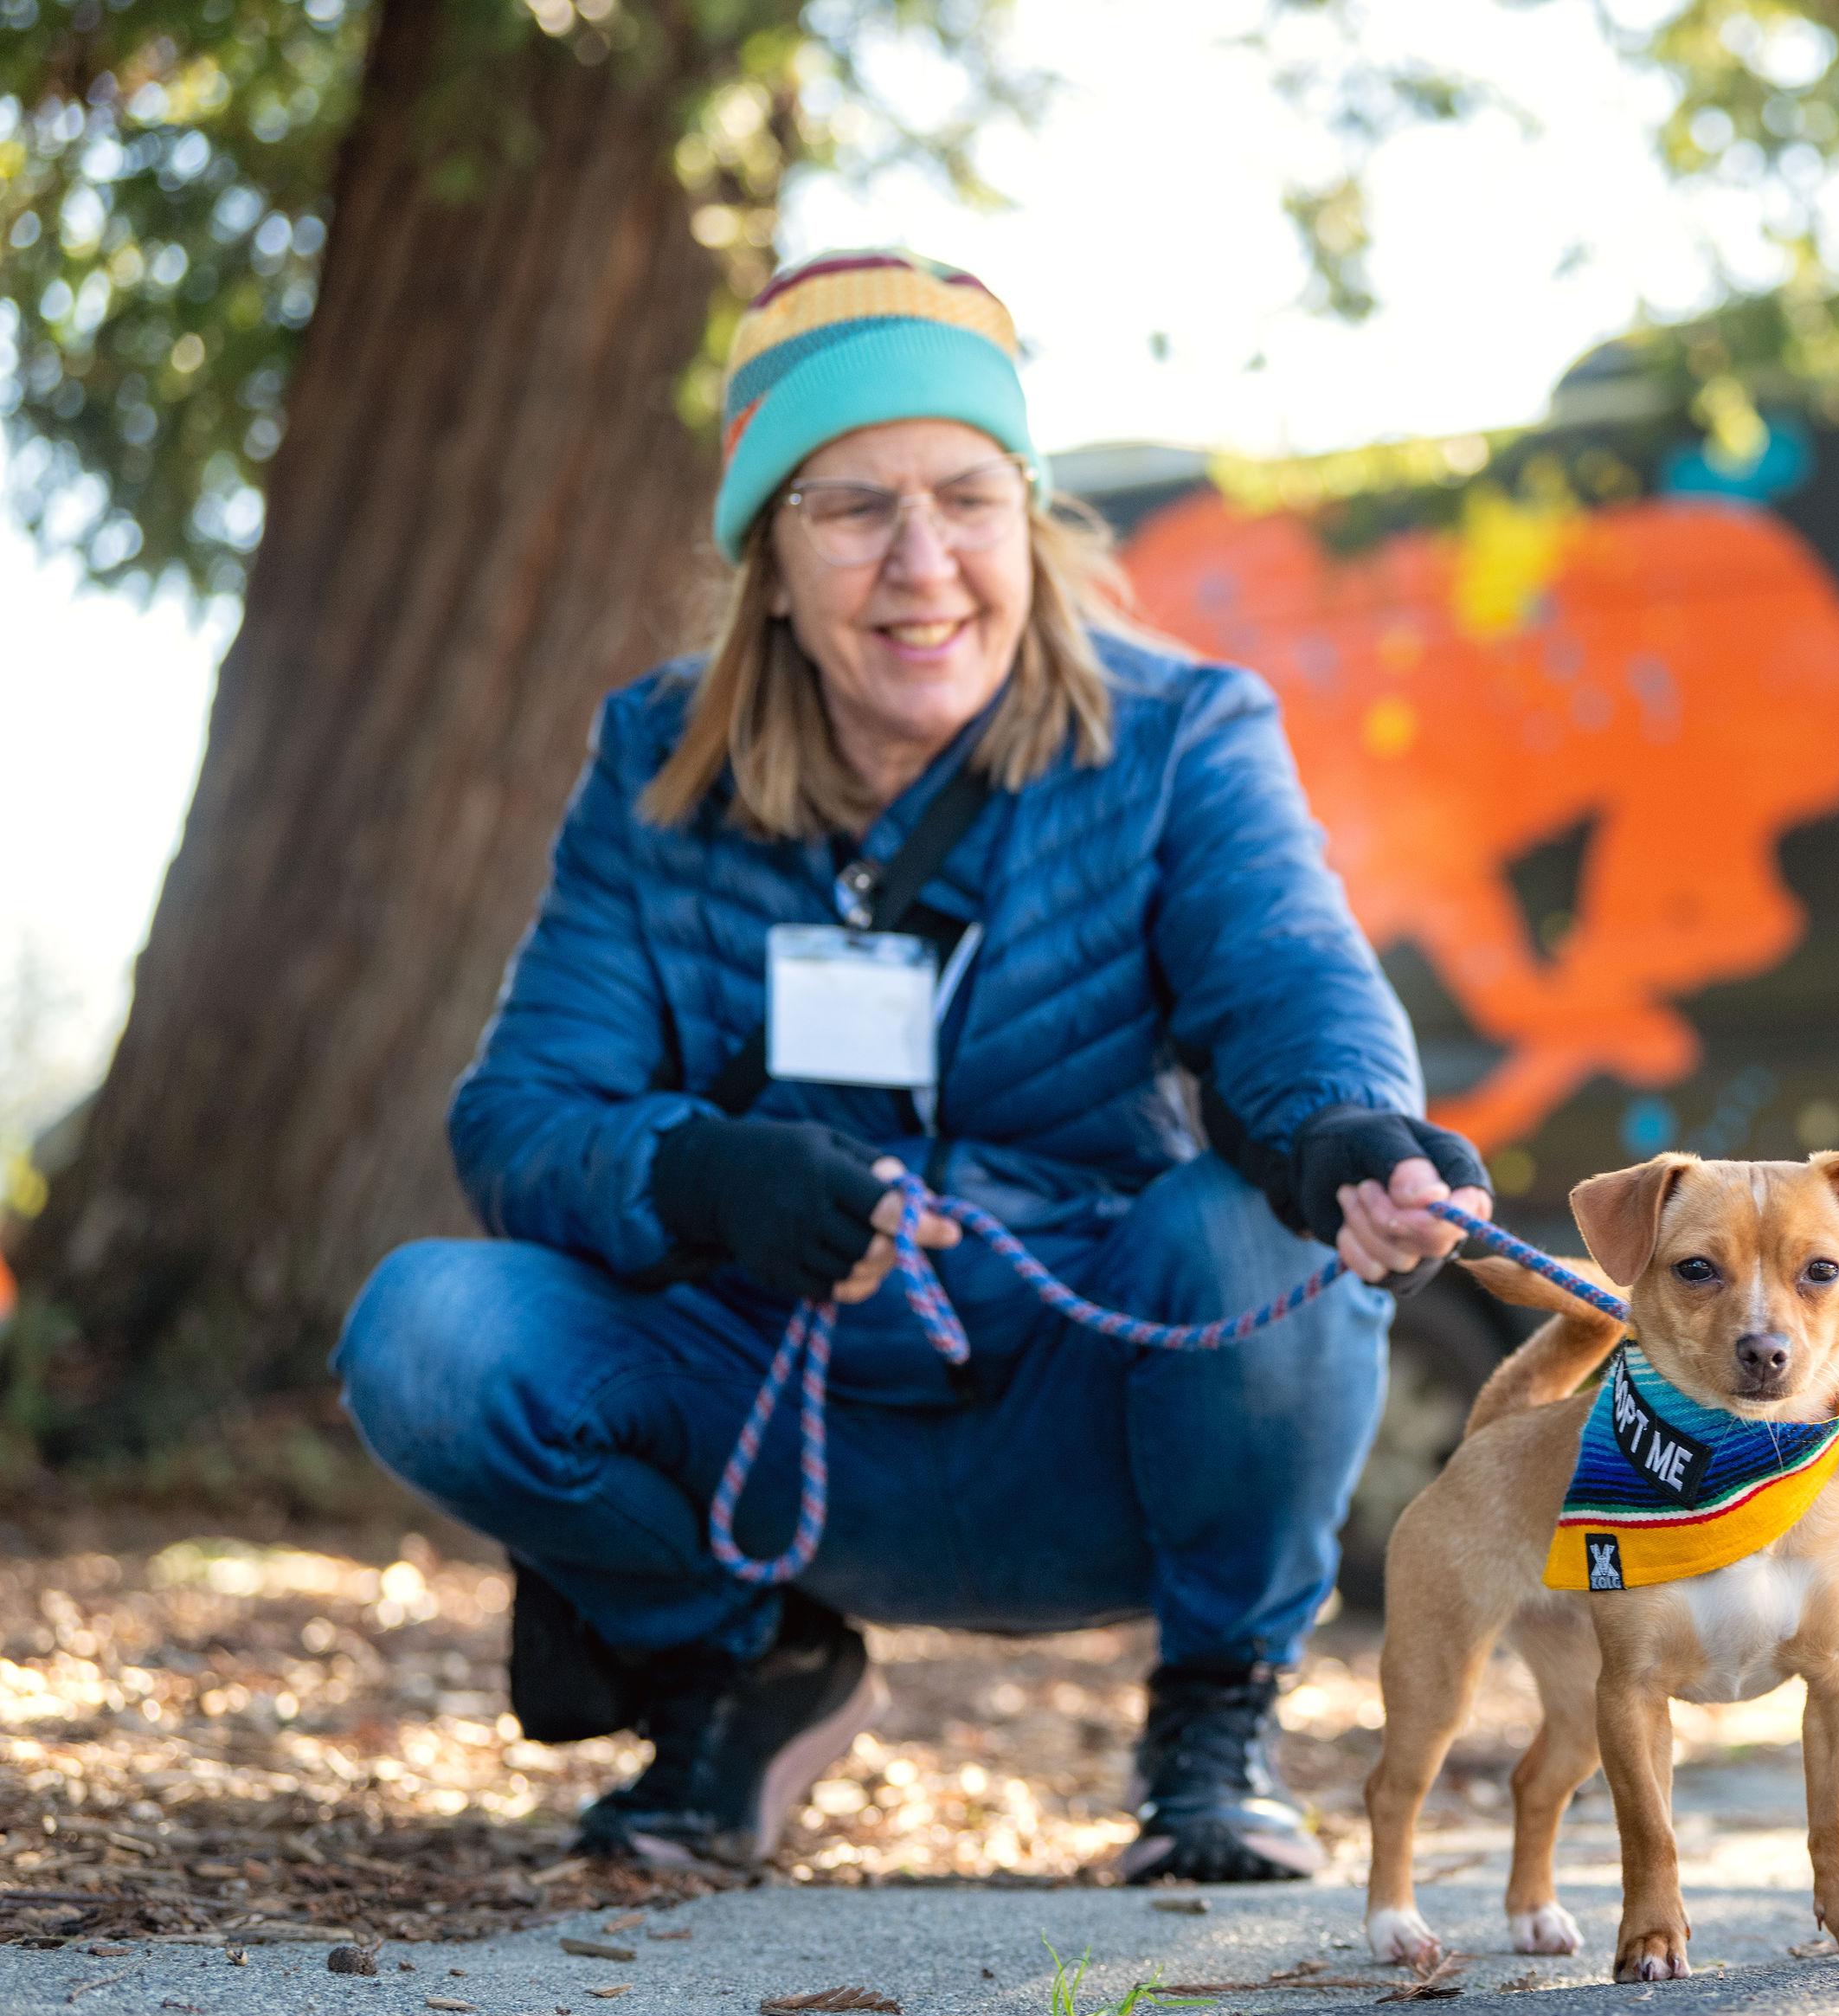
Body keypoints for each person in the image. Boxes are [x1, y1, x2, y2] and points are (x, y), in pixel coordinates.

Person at [333, 250, 1489, 1884]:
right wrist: (705, 1179)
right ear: (770, 559)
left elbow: (1289, 980)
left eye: (965, 495)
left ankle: (1215, 1727)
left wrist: (1344, 1131)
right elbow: (520, 1120)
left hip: (1084, 1405)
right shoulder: (656, 767)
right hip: (787, 1427)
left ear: (1027, 515)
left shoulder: (1182, 735)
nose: (921, 561)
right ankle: (739, 1671)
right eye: (851, 506)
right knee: (428, 1331)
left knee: (1259, 1236)